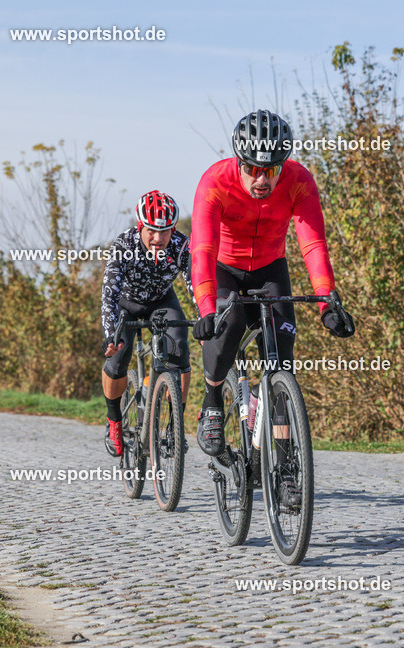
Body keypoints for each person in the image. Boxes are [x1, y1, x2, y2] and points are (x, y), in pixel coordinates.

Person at [189, 109, 354, 505]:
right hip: (224, 268)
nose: (262, 180)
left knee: (281, 367)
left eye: (272, 170)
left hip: (270, 269)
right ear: (238, 161)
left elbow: (312, 243)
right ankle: (212, 401)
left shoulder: (299, 181)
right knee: (226, 329)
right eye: (253, 169)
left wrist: (327, 302)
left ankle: (285, 472)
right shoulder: (214, 182)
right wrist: (207, 309)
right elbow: (202, 249)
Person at [102, 190, 192, 457]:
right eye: (152, 230)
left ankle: (176, 426)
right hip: (125, 305)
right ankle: (114, 422)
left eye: (165, 231)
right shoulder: (124, 246)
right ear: (141, 226)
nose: (158, 238)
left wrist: (207, 316)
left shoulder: (181, 245)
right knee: (118, 358)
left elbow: (195, 284)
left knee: (180, 349)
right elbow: (109, 294)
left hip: (161, 302)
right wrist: (110, 334)